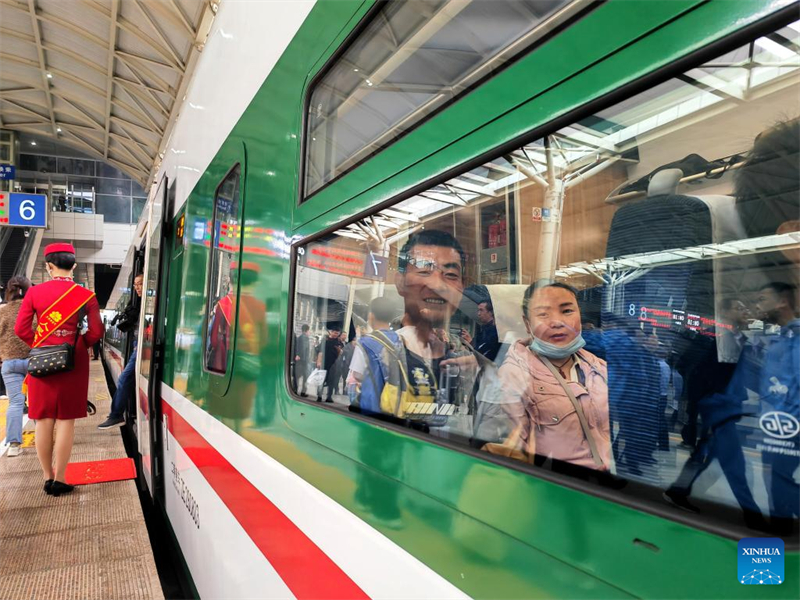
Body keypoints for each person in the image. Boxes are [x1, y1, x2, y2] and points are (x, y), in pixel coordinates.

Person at [353, 230, 475, 425]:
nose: (437, 284)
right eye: (424, 271)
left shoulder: (462, 354)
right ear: (400, 282)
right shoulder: (376, 348)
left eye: (451, 274)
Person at [15, 243, 104, 496]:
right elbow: (96, 332)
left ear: (48, 266)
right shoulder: (87, 296)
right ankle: (61, 478)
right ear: (73, 266)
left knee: (42, 419)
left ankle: (47, 477)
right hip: (72, 362)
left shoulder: (34, 293)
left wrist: (41, 345)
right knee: (66, 420)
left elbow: (21, 330)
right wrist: (77, 344)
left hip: (42, 361)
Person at [497, 281, 612, 470]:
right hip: (554, 484)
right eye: (543, 314)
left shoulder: (598, 367)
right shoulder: (514, 375)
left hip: (604, 483)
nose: (557, 322)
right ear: (527, 323)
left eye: (567, 311)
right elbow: (513, 454)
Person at [754, 282, 799, 532]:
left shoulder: (796, 337)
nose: (757, 305)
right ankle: (779, 531)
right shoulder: (780, 337)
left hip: (786, 426)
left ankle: (780, 532)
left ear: (782, 301)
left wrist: (783, 425)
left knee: (778, 482)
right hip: (775, 424)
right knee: (774, 481)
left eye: (762, 298)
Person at [98, 272, 142, 429]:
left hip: (141, 347)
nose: (137, 287)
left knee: (124, 379)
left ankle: (116, 415)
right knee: (125, 379)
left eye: (141, 284)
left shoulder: (149, 304)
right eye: (135, 284)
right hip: (137, 345)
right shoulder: (137, 304)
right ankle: (115, 414)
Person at [0, 276, 32, 457]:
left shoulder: (2, 311)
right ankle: (44, 435)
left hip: (10, 363)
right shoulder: (32, 309)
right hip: (33, 361)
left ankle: (13, 445)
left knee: (16, 403)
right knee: (36, 401)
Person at [316, 323, 343, 402]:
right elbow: (320, 352)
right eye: (335, 333)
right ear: (331, 332)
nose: (336, 335)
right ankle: (319, 396)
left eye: (337, 334)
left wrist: (339, 350)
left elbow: (341, 352)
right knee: (321, 380)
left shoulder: (338, 342)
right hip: (324, 363)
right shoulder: (325, 340)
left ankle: (329, 397)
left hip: (333, 364)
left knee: (331, 381)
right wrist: (319, 362)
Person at [293, 324, 314, 396]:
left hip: (299, 361)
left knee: (298, 376)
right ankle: (303, 392)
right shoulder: (305, 338)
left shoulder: (299, 337)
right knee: (305, 376)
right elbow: (304, 349)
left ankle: (295, 391)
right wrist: (306, 361)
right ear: (306, 331)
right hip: (303, 361)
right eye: (309, 330)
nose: (310, 332)